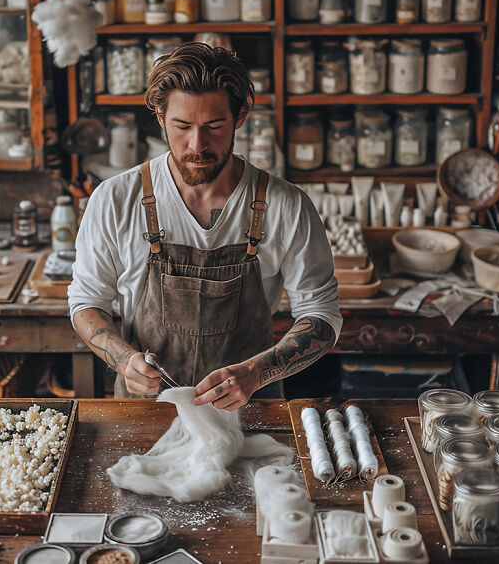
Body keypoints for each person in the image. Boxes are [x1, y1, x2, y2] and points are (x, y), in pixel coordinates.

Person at [68, 42, 341, 409]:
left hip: (251, 414)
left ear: (240, 116)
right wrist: (123, 359)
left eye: (214, 125)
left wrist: (258, 372)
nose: (197, 145)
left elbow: (320, 315)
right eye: (183, 126)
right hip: (146, 413)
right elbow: (87, 301)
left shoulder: (286, 206)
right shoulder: (115, 200)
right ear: (160, 117)